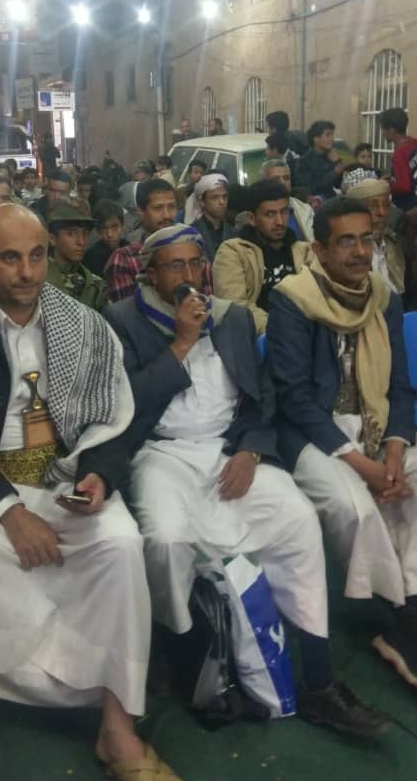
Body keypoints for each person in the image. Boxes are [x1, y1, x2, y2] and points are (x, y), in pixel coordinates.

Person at [0, 203, 193, 781]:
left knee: (120, 544)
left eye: (37, 255)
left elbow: (111, 423)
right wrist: (10, 512)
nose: (28, 271)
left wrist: (100, 476)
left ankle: (117, 730)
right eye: (10, 257)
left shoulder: (85, 325)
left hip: (63, 481)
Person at [105, 224, 388, 737]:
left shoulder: (231, 316)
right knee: (166, 539)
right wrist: (182, 343)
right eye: (175, 265)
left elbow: (263, 396)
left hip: (229, 448)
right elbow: (126, 405)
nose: (189, 275)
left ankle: (319, 678)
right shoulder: (122, 319)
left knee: (298, 520)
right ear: (151, 274)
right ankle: (188, 657)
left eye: (196, 263)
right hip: (161, 452)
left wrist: (252, 449)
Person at [267, 197, 417, 686]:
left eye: (365, 239)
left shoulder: (383, 297)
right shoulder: (293, 299)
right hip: (313, 432)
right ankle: (394, 617)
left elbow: (399, 385)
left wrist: (393, 449)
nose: (359, 251)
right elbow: (294, 397)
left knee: (412, 482)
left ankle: (409, 610)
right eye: (346, 241)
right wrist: (363, 465)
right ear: (320, 250)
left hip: (375, 423)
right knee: (352, 505)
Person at [213, 180, 312, 335]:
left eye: (284, 212)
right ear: (251, 218)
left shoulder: (304, 251)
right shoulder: (233, 252)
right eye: (270, 214)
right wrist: (284, 329)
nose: (280, 222)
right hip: (258, 338)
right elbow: (235, 307)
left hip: (306, 333)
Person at [105, 179, 178, 302]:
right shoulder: (125, 259)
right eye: (158, 208)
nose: (167, 215)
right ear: (140, 211)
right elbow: (128, 311)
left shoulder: (193, 251)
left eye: (171, 207)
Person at [343, 171, 404, 294]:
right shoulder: (346, 251)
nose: (382, 212)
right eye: (372, 206)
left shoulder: (392, 243)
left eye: (386, 205)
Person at [46, 202, 105, 308]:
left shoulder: (95, 285)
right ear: (52, 238)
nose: (81, 241)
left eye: (85, 234)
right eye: (71, 233)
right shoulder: (37, 280)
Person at [261, 158, 314, 240]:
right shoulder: (256, 212)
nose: (282, 182)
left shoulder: (305, 209)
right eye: (276, 179)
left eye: (286, 178)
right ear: (263, 183)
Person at [186, 173, 234, 262]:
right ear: (201, 202)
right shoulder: (190, 234)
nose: (222, 202)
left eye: (224, 196)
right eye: (215, 197)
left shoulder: (234, 233)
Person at [381, 108, 417, 211]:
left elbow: (404, 186)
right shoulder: (414, 143)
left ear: (392, 130)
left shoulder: (399, 153)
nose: (382, 133)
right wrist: (393, 177)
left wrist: (386, 184)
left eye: (383, 129)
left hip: (410, 205)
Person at [296, 121, 343, 200]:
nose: (332, 139)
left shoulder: (332, 156)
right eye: (327, 135)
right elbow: (309, 189)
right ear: (316, 138)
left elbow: (338, 185)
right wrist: (334, 173)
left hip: (333, 199)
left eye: (332, 135)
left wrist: (337, 162)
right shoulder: (304, 162)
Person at [84, 200, 128, 277]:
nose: (110, 234)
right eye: (104, 229)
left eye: (114, 227)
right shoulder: (92, 257)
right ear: (98, 231)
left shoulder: (130, 249)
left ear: (123, 225)